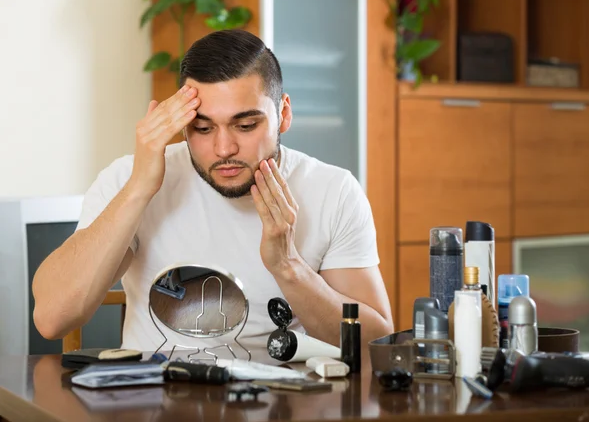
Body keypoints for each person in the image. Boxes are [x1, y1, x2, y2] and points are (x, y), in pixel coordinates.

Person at [32, 29, 393, 361]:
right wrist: (139, 188)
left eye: (246, 125)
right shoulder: (131, 178)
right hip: (152, 403)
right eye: (202, 128)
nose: (223, 148)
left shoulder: (332, 190)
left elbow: (377, 344)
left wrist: (288, 267)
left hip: (281, 404)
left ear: (283, 114)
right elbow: (52, 318)